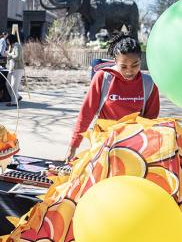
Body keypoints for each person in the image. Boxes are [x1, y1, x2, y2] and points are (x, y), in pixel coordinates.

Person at [65, 33, 160, 162]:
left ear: (141, 60)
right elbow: (86, 113)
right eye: (123, 66)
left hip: (134, 147)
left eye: (135, 65)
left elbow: (151, 120)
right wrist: (73, 146)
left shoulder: (148, 84)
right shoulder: (102, 78)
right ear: (115, 61)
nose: (129, 71)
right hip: (104, 145)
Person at [4, 34, 24, 106]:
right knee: (8, 84)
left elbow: (17, 57)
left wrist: (9, 55)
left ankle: (14, 102)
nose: (7, 41)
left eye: (7, 39)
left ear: (10, 39)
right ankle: (17, 97)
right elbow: (11, 57)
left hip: (18, 69)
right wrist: (7, 55)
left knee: (13, 86)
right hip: (12, 68)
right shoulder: (12, 46)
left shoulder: (17, 45)